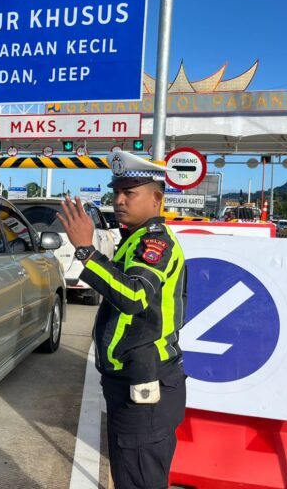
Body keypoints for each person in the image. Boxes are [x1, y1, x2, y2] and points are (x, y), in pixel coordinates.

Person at [56, 149, 187, 489]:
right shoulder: (134, 240)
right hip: (128, 381)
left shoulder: (155, 243)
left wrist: (86, 251)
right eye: (116, 192)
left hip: (147, 381)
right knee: (128, 474)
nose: (119, 200)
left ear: (157, 199)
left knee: (139, 479)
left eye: (129, 193)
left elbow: (133, 296)